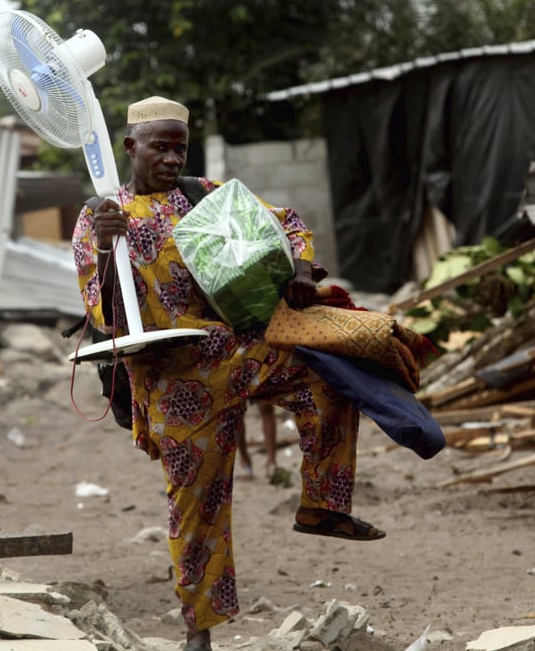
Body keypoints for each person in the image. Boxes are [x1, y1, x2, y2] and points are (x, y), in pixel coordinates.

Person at [71, 96, 382, 651]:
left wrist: (303, 269)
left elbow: (286, 222)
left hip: (235, 354)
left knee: (332, 373)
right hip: (172, 385)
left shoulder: (203, 196)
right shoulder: (102, 215)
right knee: (197, 508)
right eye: (158, 147)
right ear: (129, 148)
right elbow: (107, 317)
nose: (170, 158)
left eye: (178, 147)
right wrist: (105, 242)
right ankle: (199, 632)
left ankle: (322, 506)